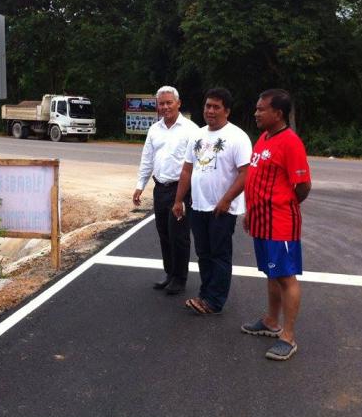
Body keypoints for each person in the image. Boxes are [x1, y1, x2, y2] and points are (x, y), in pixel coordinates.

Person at [241, 89, 311, 361]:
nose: (256, 113)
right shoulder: (264, 137)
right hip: (261, 221)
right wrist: (251, 211)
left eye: (261, 109)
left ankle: (288, 337)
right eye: (257, 108)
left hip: (280, 223)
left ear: (278, 113)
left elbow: (303, 186)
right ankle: (271, 321)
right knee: (272, 273)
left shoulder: (291, 143)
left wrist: (284, 205)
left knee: (285, 276)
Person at [173, 88, 252, 314]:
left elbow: (246, 173)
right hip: (198, 205)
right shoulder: (197, 135)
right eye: (208, 106)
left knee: (219, 254)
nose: (210, 111)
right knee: (204, 254)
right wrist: (178, 200)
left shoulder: (238, 137)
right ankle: (205, 294)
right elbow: (187, 170)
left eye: (216, 107)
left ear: (227, 111)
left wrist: (227, 200)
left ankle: (215, 301)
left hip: (222, 208)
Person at [133, 86, 199, 294]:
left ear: (178, 103)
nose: (165, 107)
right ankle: (169, 273)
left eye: (169, 102)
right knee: (163, 233)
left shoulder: (191, 130)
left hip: (181, 190)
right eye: (161, 103)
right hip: (160, 188)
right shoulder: (154, 129)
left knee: (179, 236)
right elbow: (147, 159)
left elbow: (198, 164)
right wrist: (140, 185)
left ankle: (180, 278)